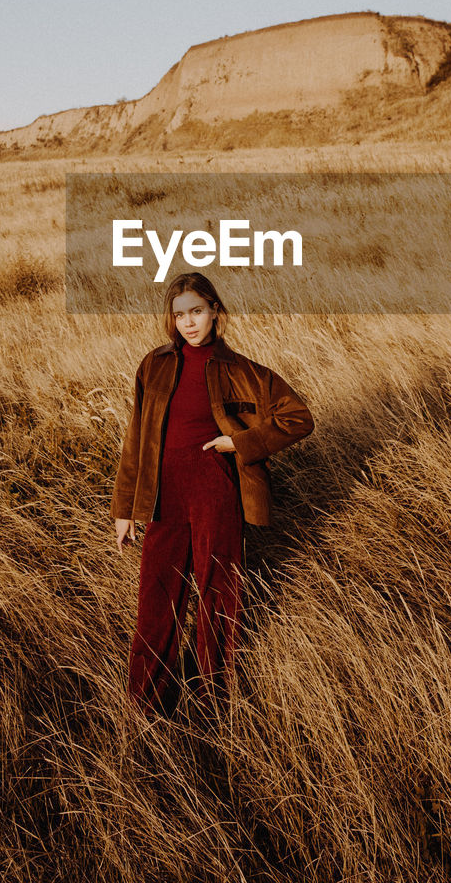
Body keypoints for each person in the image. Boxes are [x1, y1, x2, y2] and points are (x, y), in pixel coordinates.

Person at [111, 271, 314, 716]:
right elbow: (136, 437)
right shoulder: (155, 364)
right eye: (180, 314)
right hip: (164, 495)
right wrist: (125, 508)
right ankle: (145, 703)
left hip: (215, 490)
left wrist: (239, 443)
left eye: (197, 311)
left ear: (215, 311)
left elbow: (298, 417)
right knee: (156, 596)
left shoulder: (240, 369)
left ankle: (213, 701)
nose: (189, 323)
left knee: (218, 592)